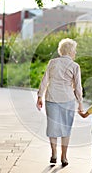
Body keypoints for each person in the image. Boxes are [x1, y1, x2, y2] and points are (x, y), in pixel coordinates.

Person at [36, 38, 83, 167]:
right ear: (71, 51)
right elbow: (78, 87)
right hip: (67, 100)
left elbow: (44, 80)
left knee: (53, 127)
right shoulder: (75, 66)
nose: (75, 53)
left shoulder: (52, 62)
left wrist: (40, 96)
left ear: (61, 51)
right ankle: (64, 156)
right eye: (75, 51)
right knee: (66, 129)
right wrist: (80, 103)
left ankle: (54, 153)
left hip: (51, 99)